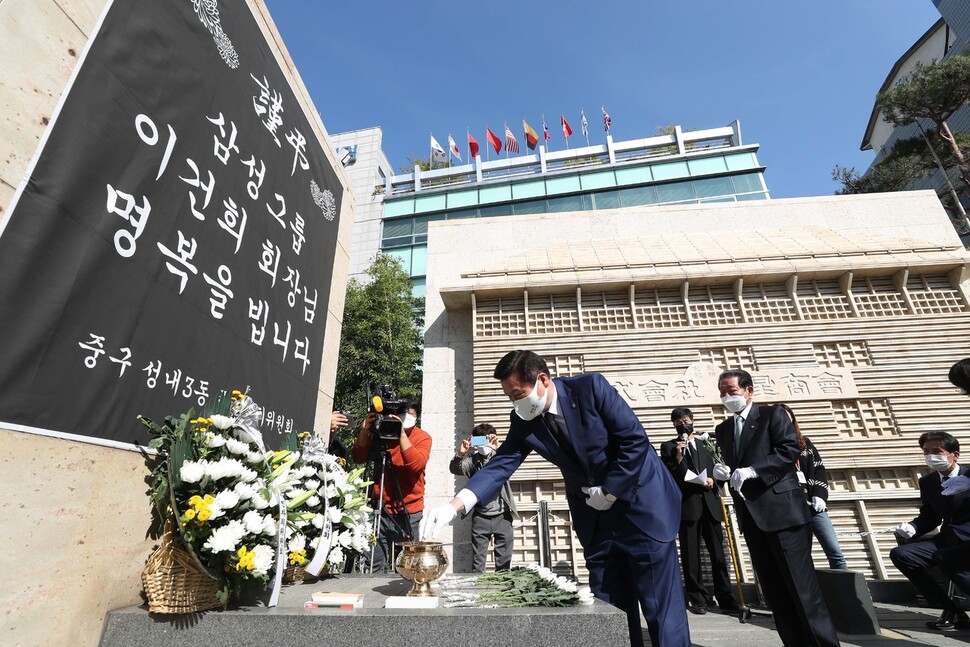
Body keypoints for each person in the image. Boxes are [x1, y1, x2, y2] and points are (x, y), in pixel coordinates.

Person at [421, 350, 688, 647]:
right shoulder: (525, 417)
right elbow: (503, 462)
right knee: (611, 609)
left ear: (543, 380)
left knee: (661, 609)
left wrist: (610, 490)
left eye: (518, 394)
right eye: (509, 397)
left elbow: (634, 441)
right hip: (595, 518)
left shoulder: (591, 389)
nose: (515, 402)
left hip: (641, 507)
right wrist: (455, 505)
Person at [713, 369, 839, 647]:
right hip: (752, 518)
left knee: (802, 589)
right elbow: (734, 468)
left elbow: (787, 450)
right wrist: (723, 471)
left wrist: (754, 471)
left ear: (748, 390)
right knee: (775, 592)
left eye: (731, 390)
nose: (726, 396)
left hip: (783, 514)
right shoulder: (722, 429)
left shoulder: (772, 415)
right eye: (722, 391)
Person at [659, 407, 739, 615]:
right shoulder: (668, 447)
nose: (682, 424)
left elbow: (720, 468)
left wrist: (717, 479)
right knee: (690, 554)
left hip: (711, 504)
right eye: (677, 422)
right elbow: (669, 476)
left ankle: (725, 596)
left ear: (692, 420)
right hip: (688, 505)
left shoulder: (707, 443)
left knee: (718, 554)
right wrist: (678, 457)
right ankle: (697, 597)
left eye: (685, 420)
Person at [889, 431, 970, 630]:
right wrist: (913, 526)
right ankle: (953, 611)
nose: (931, 456)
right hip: (948, 537)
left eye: (937, 451)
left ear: (955, 455)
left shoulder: (969, 475)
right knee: (901, 554)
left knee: (945, 557)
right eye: (926, 451)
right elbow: (930, 516)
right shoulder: (928, 482)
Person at [351, 398, 431, 573]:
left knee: (408, 566)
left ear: (417, 416)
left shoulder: (422, 437)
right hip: (379, 508)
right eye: (402, 414)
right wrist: (365, 431)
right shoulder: (380, 434)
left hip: (409, 511)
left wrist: (401, 434)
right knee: (373, 562)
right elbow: (358, 457)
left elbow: (416, 465)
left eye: (410, 414)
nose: (405, 418)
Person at [778, 404, 847, 570]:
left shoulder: (806, 443)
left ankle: (846, 593)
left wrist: (820, 495)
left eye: (788, 417)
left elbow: (819, 469)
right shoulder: (773, 447)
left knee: (835, 552)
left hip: (814, 506)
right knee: (801, 555)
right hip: (791, 508)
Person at [449, 422, 517, 572]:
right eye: (479, 440)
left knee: (504, 564)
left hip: (502, 515)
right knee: (478, 563)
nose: (483, 444)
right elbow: (455, 469)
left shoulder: (501, 457)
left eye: (485, 439)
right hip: (481, 516)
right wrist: (460, 454)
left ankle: (503, 591)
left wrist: (498, 450)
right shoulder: (473, 461)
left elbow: (509, 464)